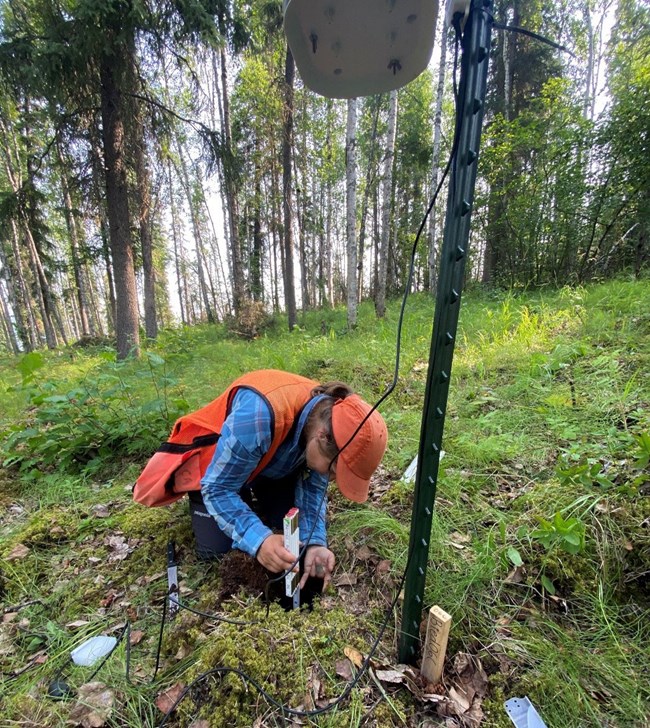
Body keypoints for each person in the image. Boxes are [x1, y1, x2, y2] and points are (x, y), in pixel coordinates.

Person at [134, 369, 388, 591]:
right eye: (334, 472)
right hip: (216, 467)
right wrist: (260, 540)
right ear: (322, 437)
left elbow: (313, 487)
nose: (331, 480)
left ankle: (258, 495)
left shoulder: (326, 418)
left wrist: (315, 543)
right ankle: (241, 500)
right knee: (217, 550)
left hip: (268, 462)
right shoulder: (259, 415)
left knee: (291, 531)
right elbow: (218, 488)